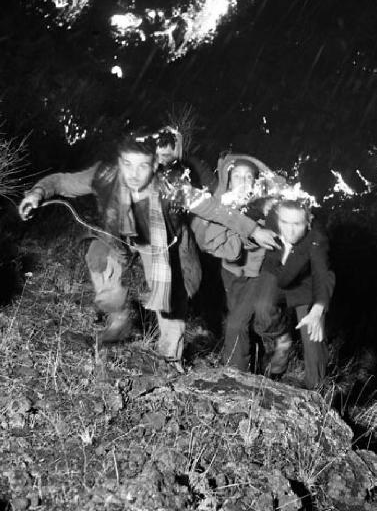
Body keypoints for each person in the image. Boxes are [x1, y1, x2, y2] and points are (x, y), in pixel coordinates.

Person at [18, 132, 279, 370]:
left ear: (154, 166)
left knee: (172, 295)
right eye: (127, 164)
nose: (133, 174)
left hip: (163, 241)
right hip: (118, 235)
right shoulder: (103, 174)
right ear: (119, 163)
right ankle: (119, 314)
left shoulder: (172, 187)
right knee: (97, 257)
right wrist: (37, 193)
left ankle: (170, 356)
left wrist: (253, 231)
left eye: (142, 166)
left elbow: (214, 209)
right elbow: (62, 182)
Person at [206, 153, 286, 373]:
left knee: (235, 324)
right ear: (228, 180)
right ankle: (255, 366)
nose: (242, 181)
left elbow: (277, 239)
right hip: (231, 272)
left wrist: (255, 222)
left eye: (247, 176)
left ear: (255, 181)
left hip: (259, 271)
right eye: (237, 176)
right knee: (241, 323)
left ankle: (234, 375)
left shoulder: (265, 204)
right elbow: (211, 241)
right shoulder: (220, 203)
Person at [255, 198, 335, 389]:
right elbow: (246, 208)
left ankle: (315, 391)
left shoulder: (317, 239)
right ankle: (283, 338)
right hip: (277, 274)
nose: (290, 231)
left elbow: (322, 275)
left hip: (306, 286)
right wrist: (260, 204)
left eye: (297, 224)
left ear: (308, 222)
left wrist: (318, 309)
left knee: (313, 336)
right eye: (285, 223)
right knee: (262, 307)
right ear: (277, 218)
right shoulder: (272, 220)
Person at [155, 126, 216, 192]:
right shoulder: (157, 172)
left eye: (165, 155)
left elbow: (213, 187)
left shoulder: (194, 166)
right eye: (158, 156)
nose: (161, 161)